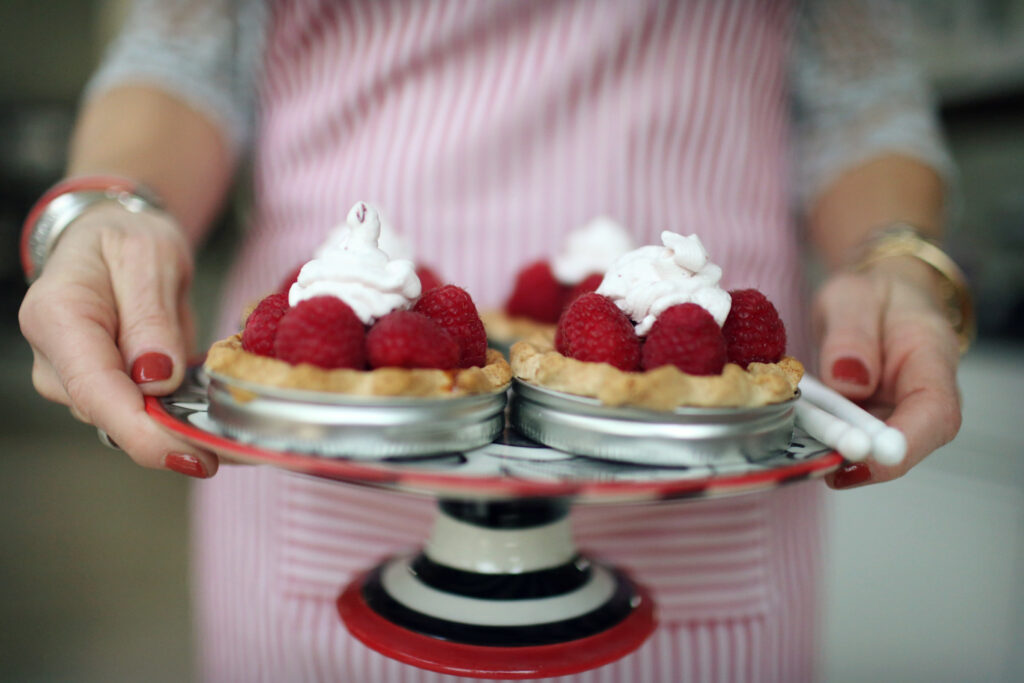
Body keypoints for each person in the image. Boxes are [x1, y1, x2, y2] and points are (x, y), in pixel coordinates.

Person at [19, 0, 966, 680]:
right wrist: (110, 211)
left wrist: (899, 259)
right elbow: (182, 57)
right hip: (317, 440)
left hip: (712, 464)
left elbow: (861, 99)